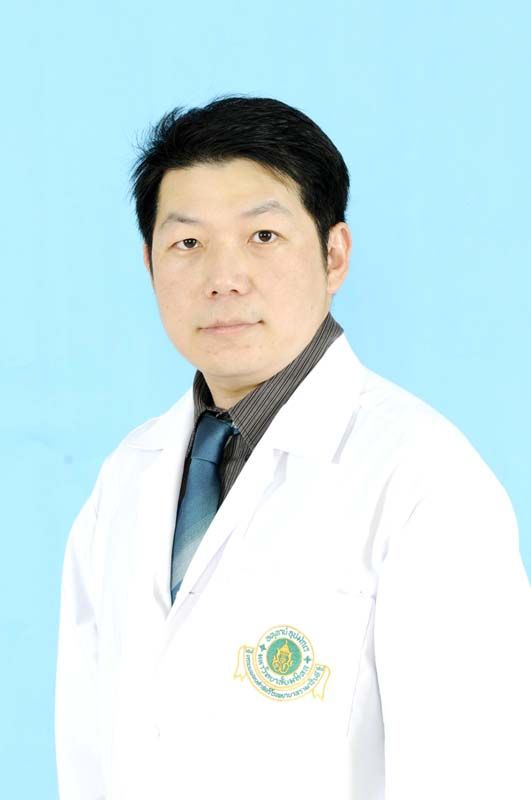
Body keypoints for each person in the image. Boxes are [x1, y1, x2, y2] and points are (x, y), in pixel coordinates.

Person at [55, 95, 531, 800]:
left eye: (263, 236)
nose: (223, 278)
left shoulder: (424, 479)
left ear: (333, 255)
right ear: (149, 261)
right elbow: (87, 753)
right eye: (187, 243)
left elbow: (472, 775)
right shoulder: (128, 475)